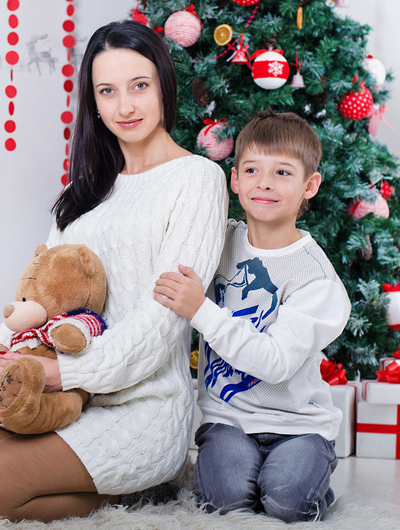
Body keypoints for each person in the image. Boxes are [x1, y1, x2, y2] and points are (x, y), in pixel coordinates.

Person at [0, 19, 228, 523]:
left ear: (164, 86)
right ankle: (69, 471)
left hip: (139, 407)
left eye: (139, 86)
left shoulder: (197, 179)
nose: (125, 106)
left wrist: (62, 373)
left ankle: (140, 488)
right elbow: (40, 292)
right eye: (107, 91)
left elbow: (161, 324)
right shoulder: (86, 192)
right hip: (58, 397)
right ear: (93, 102)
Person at [153, 111, 350, 522]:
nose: (264, 182)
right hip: (229, 420)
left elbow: (275, 363)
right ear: (235, 180)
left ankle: (311, 479)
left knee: (286, 502)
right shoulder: (218, 240)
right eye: (252, 170)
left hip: (299, 426)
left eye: (282, 172)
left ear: (309, 185)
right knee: (225, 504)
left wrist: (202, 310)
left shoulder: (316, 279)